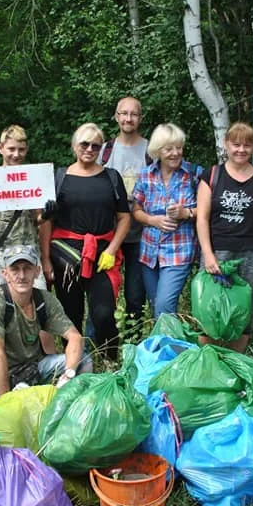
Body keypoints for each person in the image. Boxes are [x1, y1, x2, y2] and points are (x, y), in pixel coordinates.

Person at [45, 122, 131, 361]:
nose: (90, 149)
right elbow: (45, 223)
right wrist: (46, 261)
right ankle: (75, 365)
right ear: (74, 146)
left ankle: (110, 362)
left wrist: (113, 249)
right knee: (70, 316)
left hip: (103, 253)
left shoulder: (111, 178)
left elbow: (124, 218)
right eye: (85, 143)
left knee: (103, 313)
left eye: (96, 145)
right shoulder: (59, 178)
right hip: (65, 254)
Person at [195, 121, 253, 352]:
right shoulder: (212, 175)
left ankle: (235, 362)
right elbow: (201, 218)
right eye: (236, 144)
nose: (241, 150)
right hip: (219, 250)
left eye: (247, 145)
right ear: (226, 145)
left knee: (243, 311)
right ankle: (210, 361)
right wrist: (208, 254)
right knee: (210, 309)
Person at [0, 245, 91, 401]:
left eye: (27, 268)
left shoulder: (44, 300)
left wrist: (67, 376)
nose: (22, 275)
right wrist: (5, 401)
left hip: (34, 370)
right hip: (1, 380)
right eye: (15, 269)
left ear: (37, 271)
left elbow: (75, 338)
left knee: (83, 361)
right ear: (5, 274)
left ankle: (70, 407)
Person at [132, 123, 202, 319]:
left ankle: (170, 347)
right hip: (149, 253)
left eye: (178, 147)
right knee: (158, 309)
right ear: (158, 150)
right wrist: (152, 220)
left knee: (164, 306)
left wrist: (185, 213)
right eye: (168, 148)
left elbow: (207, 209)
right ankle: (168, 347)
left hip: (179, 252)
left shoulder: (194, 174)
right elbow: (135, 210)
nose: (175, 153)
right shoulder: (146, 174)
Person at [0, 125, 52, 290]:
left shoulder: (34, 178)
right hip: (2, 255)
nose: (16, 154)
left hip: (30, 253)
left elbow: (38, 219)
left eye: (21, 149)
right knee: (6, 307)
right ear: (1, 148)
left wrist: (47, 214)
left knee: (38, 303)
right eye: (11, 149)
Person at [100, 97, 150, 335]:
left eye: (134, 114)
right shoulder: (103, 151)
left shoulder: (152, 150)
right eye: (124, 113)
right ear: (116, 116)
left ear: (140, 118)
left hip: (141, 235)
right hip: (108, 233)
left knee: (135, 296)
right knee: (103, 294)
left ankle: (133, 343)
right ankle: (104, 347)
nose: (129, 118)